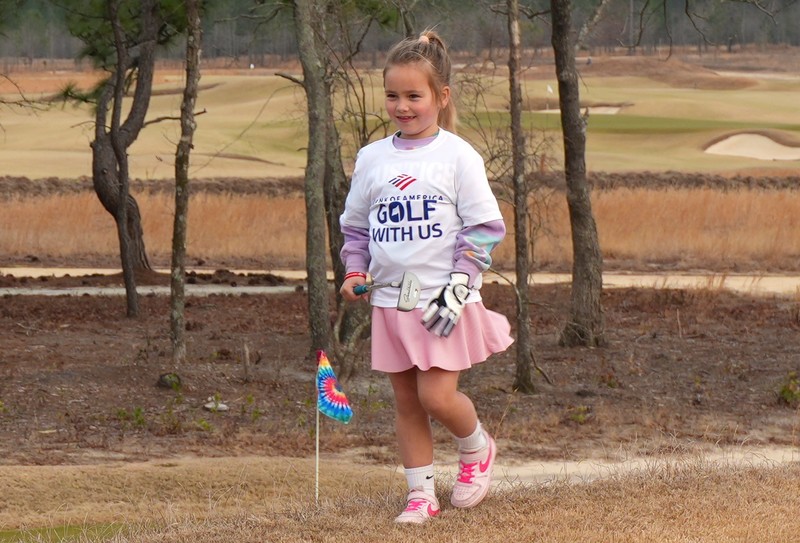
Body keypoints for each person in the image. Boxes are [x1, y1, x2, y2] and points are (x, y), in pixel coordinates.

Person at [339, 29, 513, 525]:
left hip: (444, 302)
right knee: (406, 402)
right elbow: (355, 227)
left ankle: (476, 447)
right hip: (391, 302)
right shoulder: (372, 159)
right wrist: (355, 271)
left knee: (435, 397)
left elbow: (484, 229)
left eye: (414, 96)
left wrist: (459, 287)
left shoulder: (458, 156)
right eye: (393, 95)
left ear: (441, 97)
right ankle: (420, 495)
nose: (402, 106)